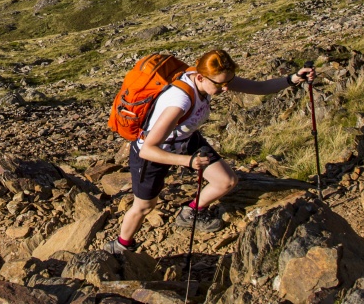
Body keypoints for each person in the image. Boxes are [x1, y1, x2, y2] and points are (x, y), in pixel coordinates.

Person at [104, 50, 315, 254]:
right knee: (145, 206)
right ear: (200, 77)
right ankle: (122, 245)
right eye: (220, 84)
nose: (225, 89)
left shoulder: (212, 79)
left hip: (186, 140)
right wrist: (188, 161)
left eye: (227, 83)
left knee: (226, 181)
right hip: (155, 153)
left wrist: (294, 78)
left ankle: (191, 212)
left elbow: (260, 87)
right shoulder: (179, 101)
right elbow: (148, 150)